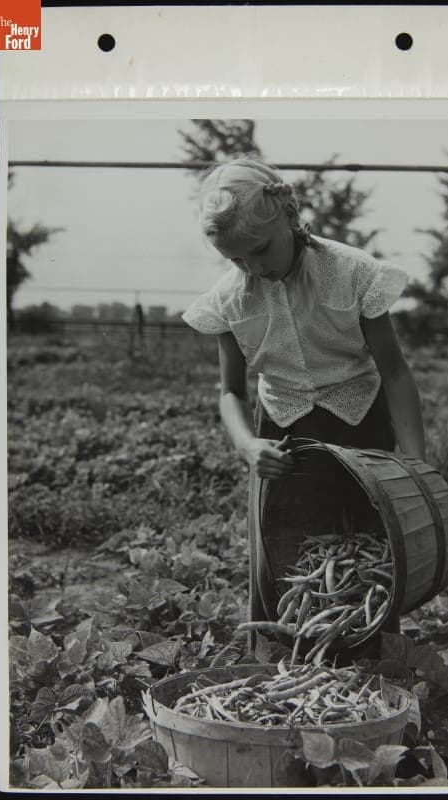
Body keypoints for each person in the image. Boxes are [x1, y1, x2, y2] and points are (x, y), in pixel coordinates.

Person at [182, 156, 426, 657]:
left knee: (370, 550)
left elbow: (396, 372)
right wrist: (248, 445)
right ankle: (287, 666)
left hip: (362, 425)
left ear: (290, 217)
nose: (254, 268)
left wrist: (415, 466)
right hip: (283, 437)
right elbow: (231, 391)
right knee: (287, 554)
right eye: (236, 260)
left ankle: (370, 664)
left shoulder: (352, 272)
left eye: (260, 250)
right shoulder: (230, 301)